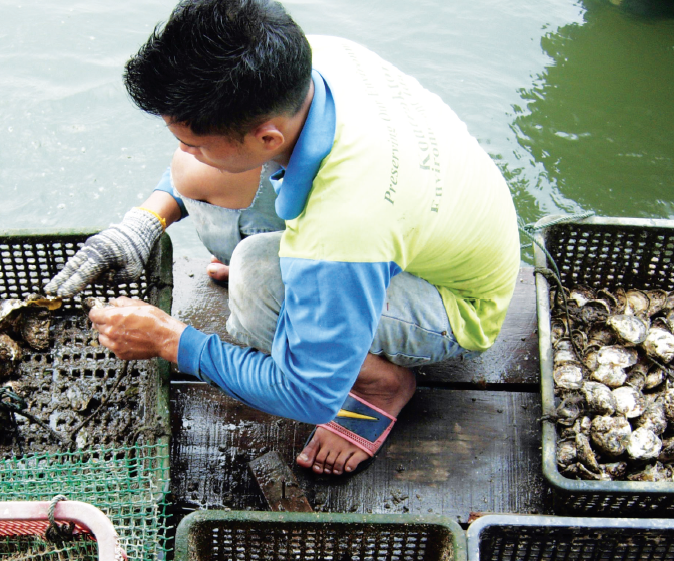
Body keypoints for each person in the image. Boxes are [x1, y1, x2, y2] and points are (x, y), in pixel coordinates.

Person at [45, 0, 520, 476]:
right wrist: (144, 221)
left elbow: (308, 395)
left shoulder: (344, 225)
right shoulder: (314, 62)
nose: (183, 151)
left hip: (454, 302)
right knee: (199, 177)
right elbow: (200, 166)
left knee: (255, 289)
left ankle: (382, 385)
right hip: (420, 226)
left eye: (194, 141)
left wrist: (171, 341)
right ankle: (310, 283)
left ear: (267, 139)